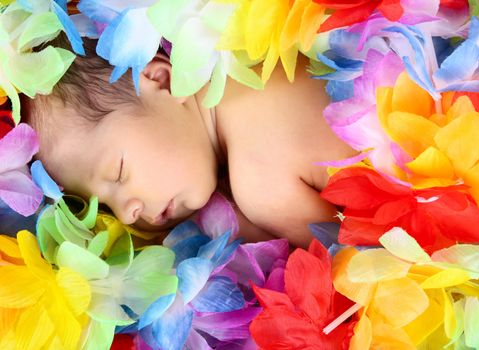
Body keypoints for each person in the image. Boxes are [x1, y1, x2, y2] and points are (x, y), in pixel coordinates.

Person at [22, 36, 356, 248]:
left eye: (119, 172)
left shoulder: (258, 185)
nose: (126, 215)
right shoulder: (256, 48)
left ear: (162, 80)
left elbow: (353, 261)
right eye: (106, 206)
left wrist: (242, 226)